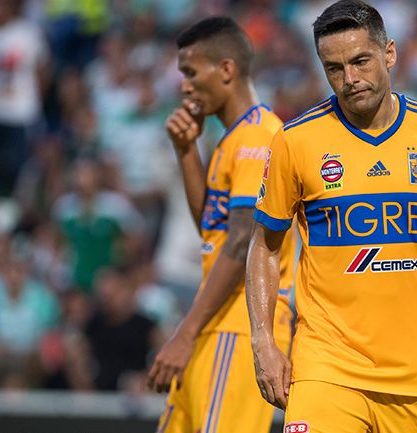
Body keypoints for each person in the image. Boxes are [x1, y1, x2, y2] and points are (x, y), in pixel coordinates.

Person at [246, 1, 417, 432]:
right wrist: (263, 340)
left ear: (389, 54)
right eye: (334, 68)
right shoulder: (296, 141)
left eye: (360, 61)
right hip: (328, 366)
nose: (350, 79)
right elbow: (265, 246)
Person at [146, 17, 296, 433]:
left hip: (241, 327)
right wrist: (186, 151)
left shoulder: (260, 138)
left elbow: (240, 246)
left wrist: (184, 332)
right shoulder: (234, 139)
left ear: (226, 70)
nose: (185, 86)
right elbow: (212, 229)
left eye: (191, 72)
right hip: (216, 320)